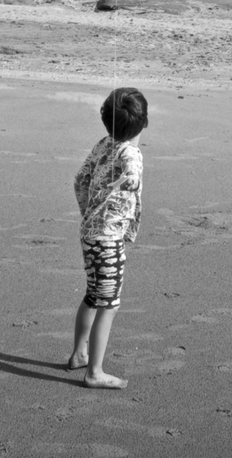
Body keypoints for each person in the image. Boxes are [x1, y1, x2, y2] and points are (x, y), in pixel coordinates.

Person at [68, 87, 148, 388]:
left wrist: (87, 210)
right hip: (107, 237)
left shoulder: (103, 143)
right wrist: (128, 179)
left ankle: (79, 355)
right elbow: (132, 173)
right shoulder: (131, 153)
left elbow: (79, 179)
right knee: (109, 303)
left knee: (93, 294)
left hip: (90, 233)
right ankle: (95, 372)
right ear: (144, 124)